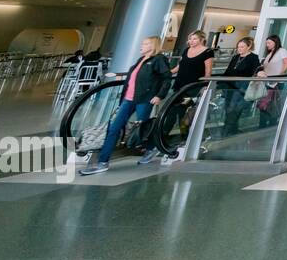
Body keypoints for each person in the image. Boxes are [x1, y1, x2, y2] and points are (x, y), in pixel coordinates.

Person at [79, 36, 171, 176]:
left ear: (153, 46)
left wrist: (159, 95)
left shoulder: (158, 59)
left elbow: (166, 77)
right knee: (114, 128)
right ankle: (103, 162)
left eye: (145, 43)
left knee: (142, 128)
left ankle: (151, 147)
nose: (141, 46)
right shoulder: (141, 60)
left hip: (144, 99)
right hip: (128, 99)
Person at [151, 29, 214, 164]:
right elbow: (180, 66)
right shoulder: (186, 51)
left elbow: (208, 70)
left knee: (183, 114)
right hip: (179, 86)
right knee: (172, 112)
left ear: (202, 39)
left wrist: (205, 85)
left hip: (193, 88)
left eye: (195, 39)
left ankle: (187, 140)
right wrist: (168, 73)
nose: (191, 41)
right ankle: (163, 140)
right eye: (190, 39)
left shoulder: (208, 52)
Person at [221, 37, 261, 135]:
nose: (239, 49)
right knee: (227, 108)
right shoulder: (236, 57)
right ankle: (232, 129)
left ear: (249, 47)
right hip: (229, 86)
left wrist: (261, 73)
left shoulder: (253, 57)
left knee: (233, 108)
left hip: (241, 86)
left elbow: (258, 69)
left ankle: (227, 130)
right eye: (238, 47)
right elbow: (228, 71)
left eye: (242, 47)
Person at [256, 34, 287, 128]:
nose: (267, 44)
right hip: (267, 82)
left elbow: (286, 63)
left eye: (269, 42)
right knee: (263, 104)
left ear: (275, 42)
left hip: (276, 83)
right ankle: (262, 125)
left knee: (272, 104)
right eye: (266, 42)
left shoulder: (282, 51)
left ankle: (271, 125)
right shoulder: (270, 54)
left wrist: (279, 76)